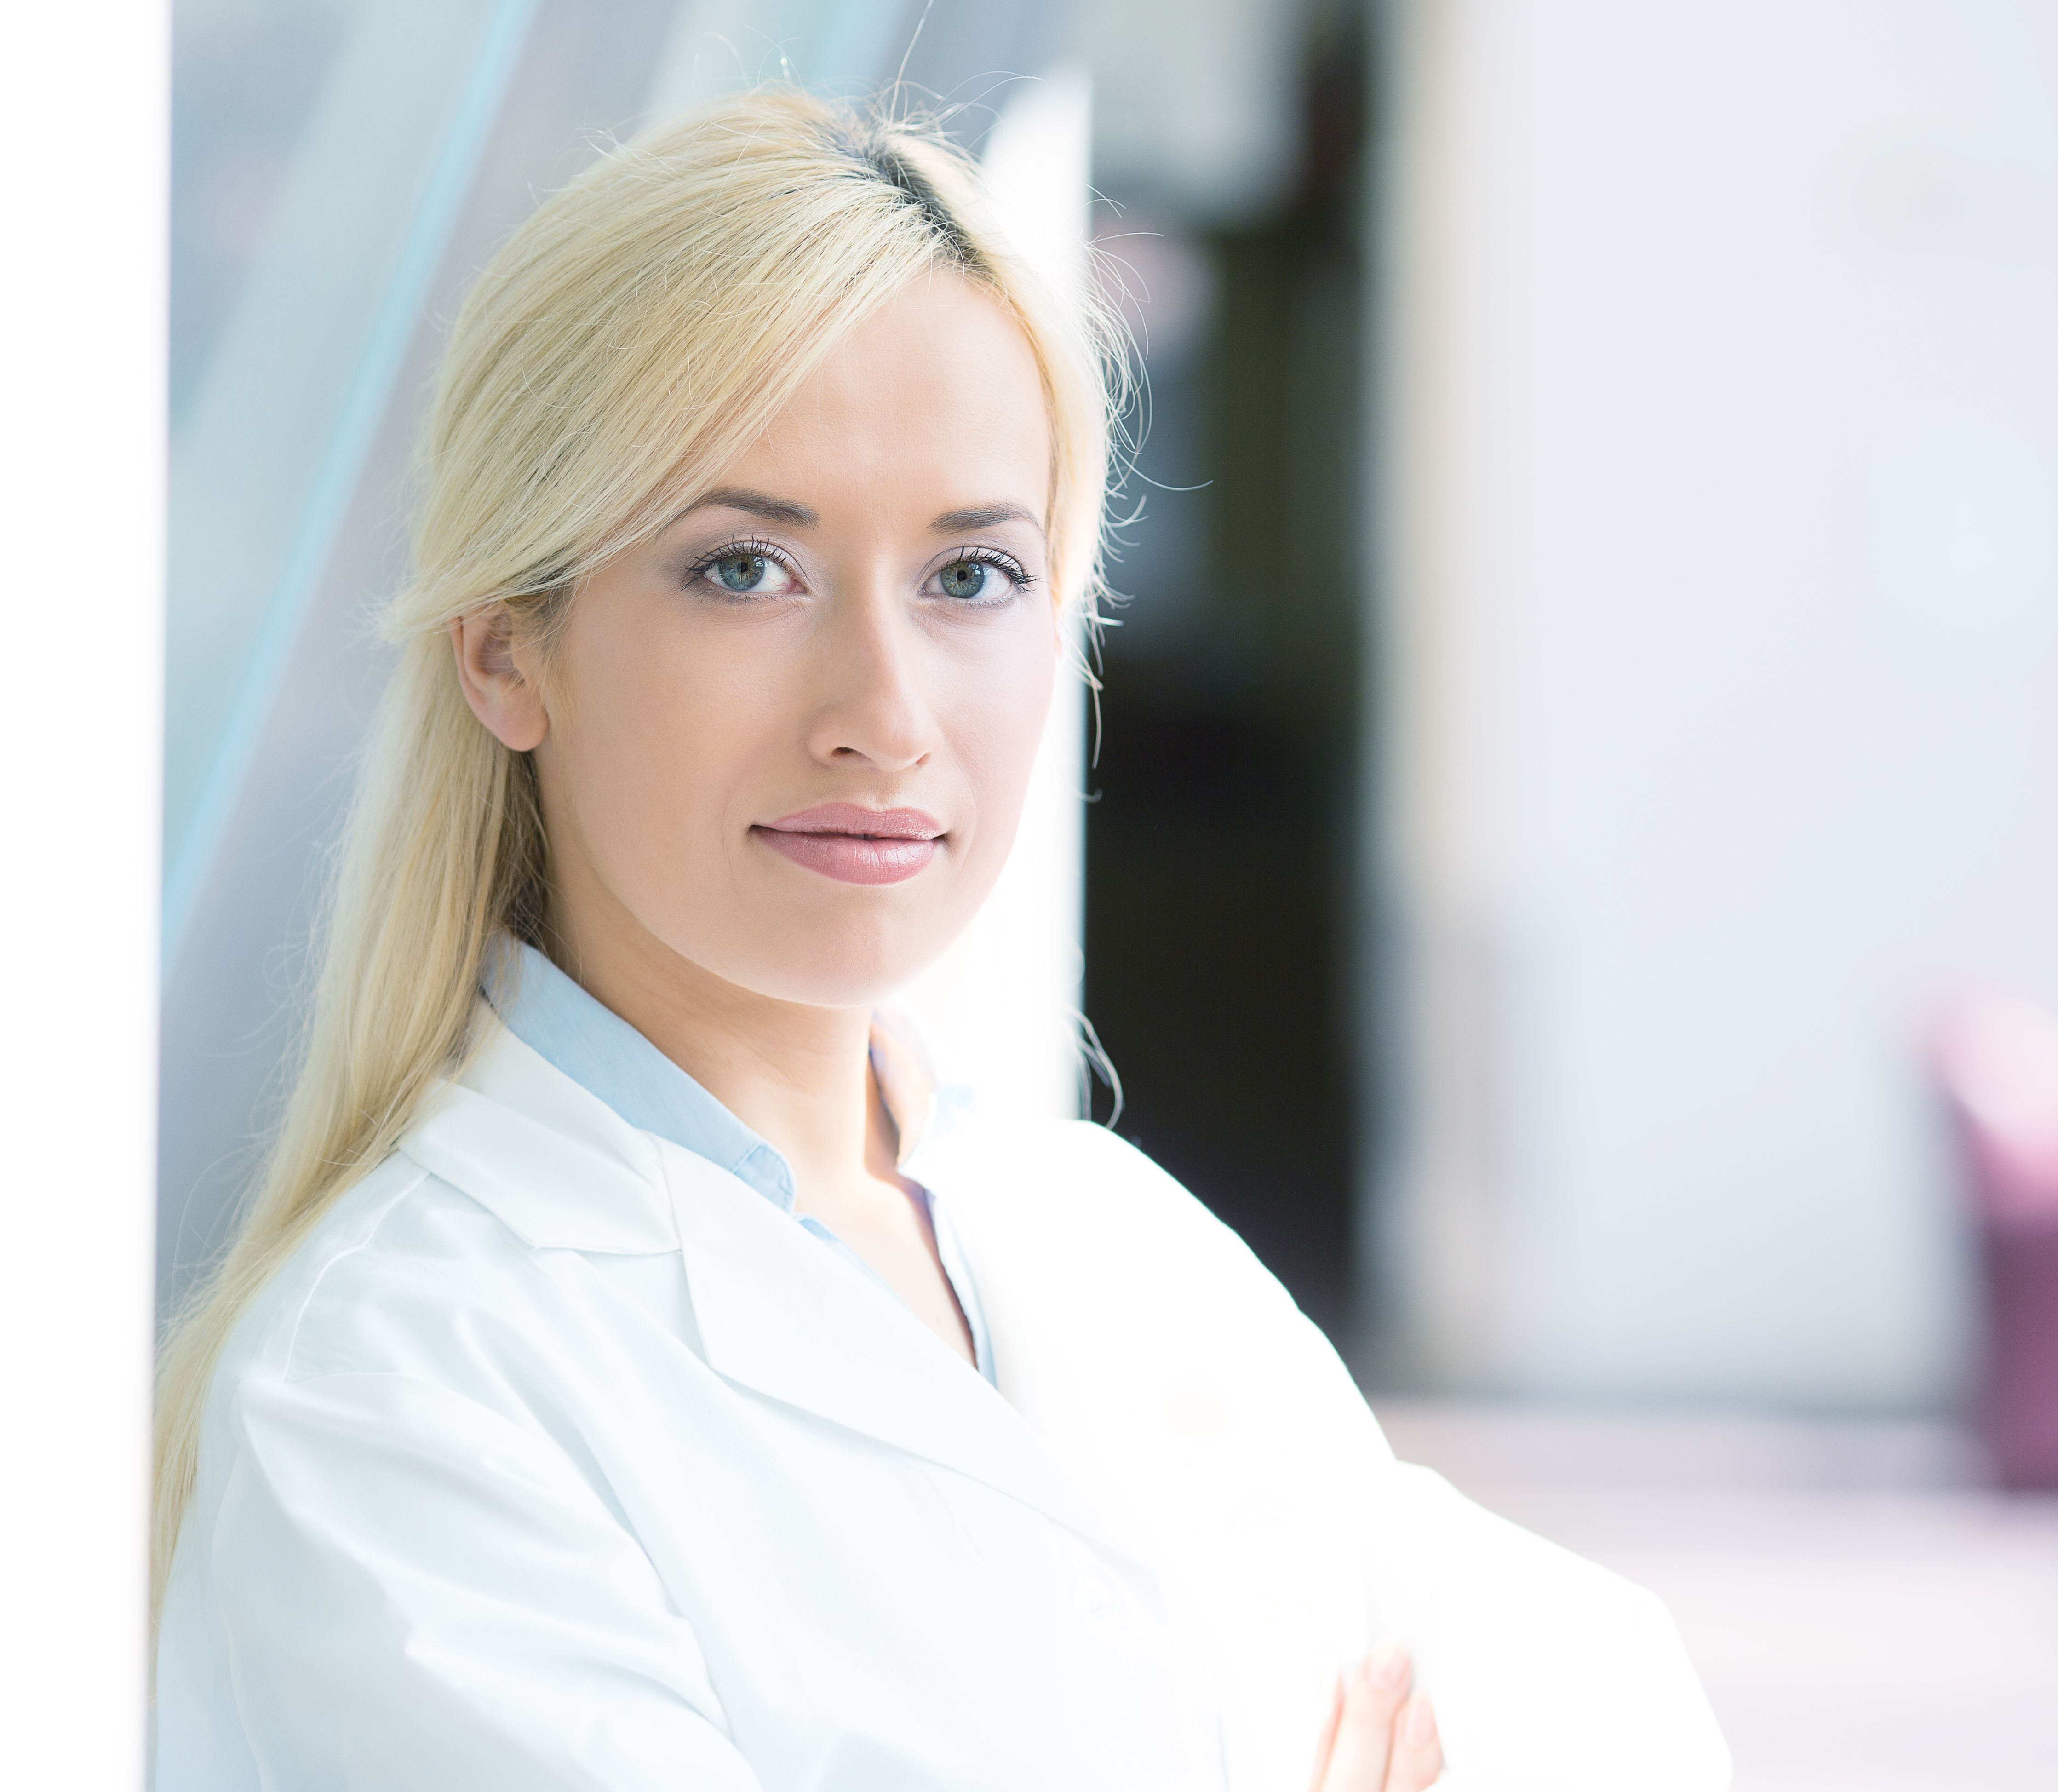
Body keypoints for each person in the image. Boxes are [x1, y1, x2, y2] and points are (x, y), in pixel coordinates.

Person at [152, 90, 1729, 1792]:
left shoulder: (1109, 1242)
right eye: (746, 569)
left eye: (970, 577)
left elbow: (1611, 1717)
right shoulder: (395, 1390)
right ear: (505, 649)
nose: (886, 716)